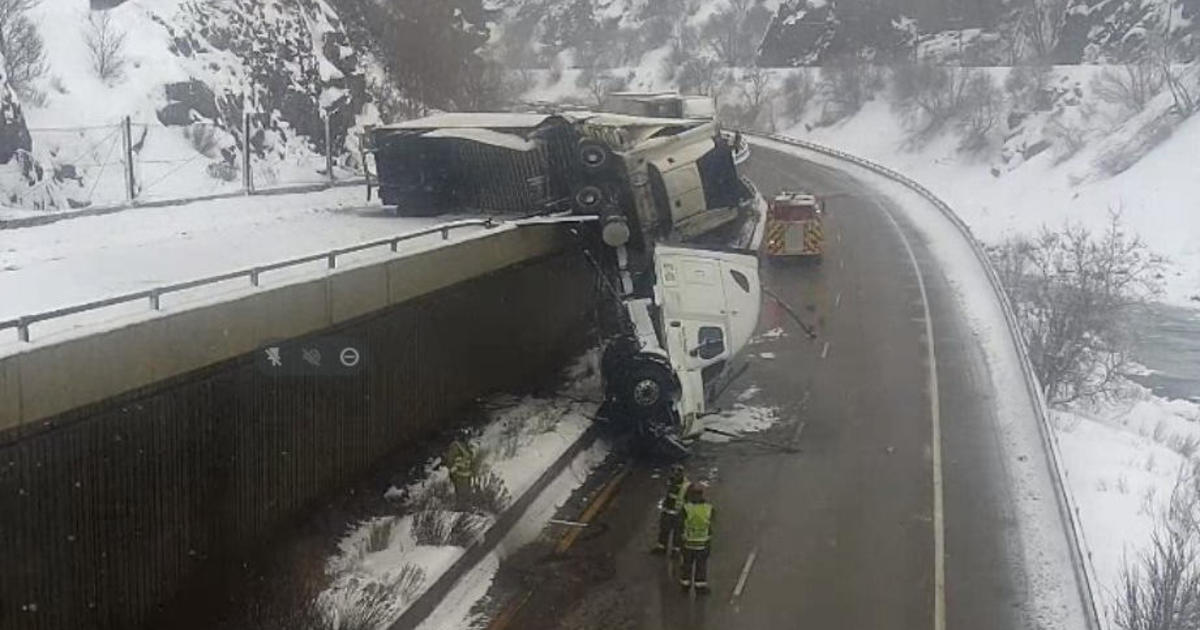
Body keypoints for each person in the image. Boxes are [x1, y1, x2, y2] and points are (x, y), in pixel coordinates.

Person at [678, 482, 714, 593]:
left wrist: (680, 542)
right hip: (702, 545)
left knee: (686, 565)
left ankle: (685, 585)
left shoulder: (686, 508)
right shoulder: (708, 508)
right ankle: (700, 586)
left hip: (688, 544)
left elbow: (680, 526)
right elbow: (711, 526)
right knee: (701, 566)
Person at [653, 464, 690, 554]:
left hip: (678, 513)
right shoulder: (670, 481)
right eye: (673, 472)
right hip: (667, 510)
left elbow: (689, 501)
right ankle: (662, 547)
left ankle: (676, 550)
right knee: (664, 529)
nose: (674, 475)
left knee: (678, 532)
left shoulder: (687, 486)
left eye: (677, 473)